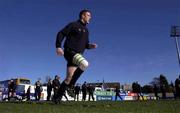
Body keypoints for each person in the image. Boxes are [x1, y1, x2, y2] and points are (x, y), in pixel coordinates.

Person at [55, 9, 97, 102]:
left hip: (77, 55)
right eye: (88, 15)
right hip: (70, 52)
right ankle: (71, 86)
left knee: (68, 78)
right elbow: (61, 33)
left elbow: (86, 45)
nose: (90, 17)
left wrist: (91, 46)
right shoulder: (73, 25)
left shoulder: (86, 30)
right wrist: (58, 46)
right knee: (85, 64)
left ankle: (56, 98)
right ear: (83, 16)